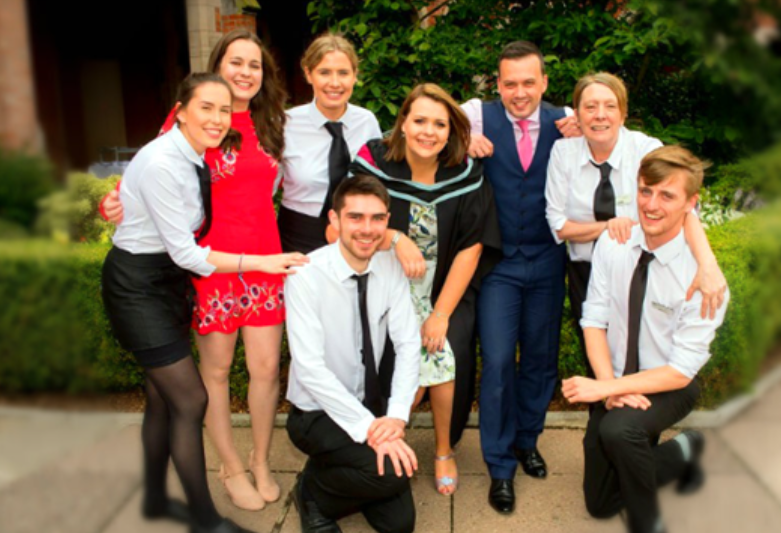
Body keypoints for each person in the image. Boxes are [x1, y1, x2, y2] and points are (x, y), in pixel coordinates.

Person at [101, 73, 306, 533]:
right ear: (180, 111)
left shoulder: (191, 151)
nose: (216, 119)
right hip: (139, 286)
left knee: (160, 398)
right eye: (206, 108)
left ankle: (155, 498)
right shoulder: (163, 161)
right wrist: (263, 264)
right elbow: (188, 252)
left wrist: (120, 201)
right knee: (191, 398)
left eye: (222, 109)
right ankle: (204, 520)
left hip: (169, 282)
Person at [562, 145, 729, 533]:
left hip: (670, 383)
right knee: (600, 504)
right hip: (615, 376)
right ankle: (687, 448)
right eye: (645, 191)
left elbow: (680, 372)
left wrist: (610, 388)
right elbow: (593, 321)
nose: (651, 205)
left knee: (619, 430)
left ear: (692, 204)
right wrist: (608, 388)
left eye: (667, 195)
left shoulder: (705, 282)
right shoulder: (614, 243)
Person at [349, 83, 502, 495]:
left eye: (440, 124)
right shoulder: (373, 162)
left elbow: (471, 248)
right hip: (384, 289)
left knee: (443, 344)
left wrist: (439, 314)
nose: (428, 131)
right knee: (403, 360)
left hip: (446, 291)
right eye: (419, 120)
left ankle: (442, 448)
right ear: (402, 123)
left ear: (451, 132)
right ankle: (387, 433)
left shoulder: (464, 174)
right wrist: (396, 238)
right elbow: (346, 226)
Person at [460, 40, 579, 514]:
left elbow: (620, 145)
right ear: (498, 82)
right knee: (497, 365)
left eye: (529, 82)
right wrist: (460, 138)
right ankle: (499, 466)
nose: (519, 92)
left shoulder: (567, 120)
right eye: (510, 83)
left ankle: (527, 440)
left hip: (549, 259)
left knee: (540, 360)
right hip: (500, 264)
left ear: (544, 82)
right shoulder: (474, 114)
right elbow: (417, 129)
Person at [545, 72, 727, 367]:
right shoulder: (562, 153)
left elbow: (685, 207)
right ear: (576, 114)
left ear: (624, 112)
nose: (600, 115)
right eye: (590, 107)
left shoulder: (645, 150)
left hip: (635, 266)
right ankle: (604, 408)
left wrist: (707, 265)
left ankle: (638, 409)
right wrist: (609, 226)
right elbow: (558, 224)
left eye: (610, 106)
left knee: (638, 351)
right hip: (584, 269)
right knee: (596, 354)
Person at [285, 175, 420, 533]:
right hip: (316, 412)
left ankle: (330, 471)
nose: (367, 228)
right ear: (334, 220)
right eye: (355, 217)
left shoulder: (391, 267)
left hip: (371, 408)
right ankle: (313, 493)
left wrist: (395, 419)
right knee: (391, 473)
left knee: (400, 525)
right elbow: (310, 368)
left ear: (387, 221)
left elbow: (408, 343)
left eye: (377, 218)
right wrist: (369, 429)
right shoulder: (305, 275)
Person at [279, 33, 382, 254]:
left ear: (355, 76)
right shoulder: (285, 124)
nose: (334, 83)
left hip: (356, 234)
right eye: (324, 72)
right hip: (299, 235)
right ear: (308, 74)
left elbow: (379, 182)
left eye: (343, 73)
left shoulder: (367, 122)